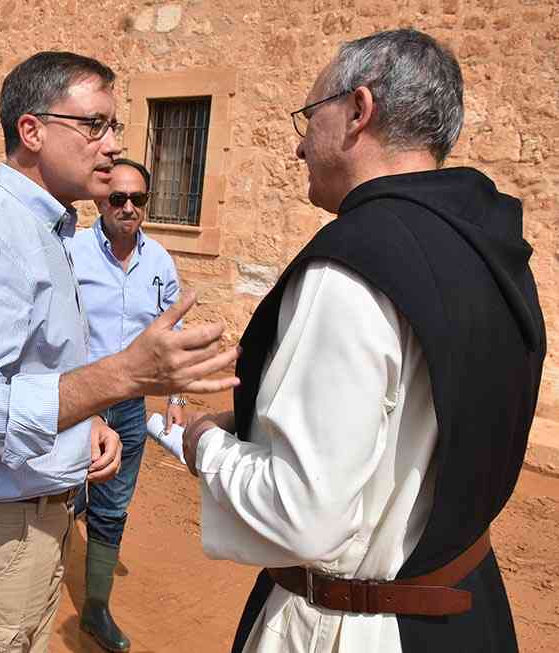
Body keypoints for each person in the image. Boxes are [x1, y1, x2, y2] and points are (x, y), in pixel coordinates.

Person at [180, 29, 546, 653]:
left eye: (309, 116)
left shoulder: (353, 266)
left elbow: (304, 514)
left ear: (358, 110)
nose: (298, 146)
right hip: (466, 616)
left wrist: (204, 445)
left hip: (358, 627)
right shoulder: (489, 247)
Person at [0, 51, 239, 652]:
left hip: (34, 521)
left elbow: (34, 367)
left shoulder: (49, 230)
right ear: (31, 131)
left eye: (114, 125)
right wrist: (122, 376)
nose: (113, 144)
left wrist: (84, 422)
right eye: (96, 125)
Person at [67, 158, 185, 651]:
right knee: (60, 499)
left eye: (138, 199)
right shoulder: (72, 253)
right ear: (101, 201)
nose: (129, 207)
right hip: (75, 408)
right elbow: (55, 334)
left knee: (112, 511)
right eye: (118, 198)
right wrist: (83, 405)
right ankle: (39, 596)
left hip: (131, 409)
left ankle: (95, 609)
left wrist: (176, 394)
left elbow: (172, 331)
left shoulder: (159, 261)